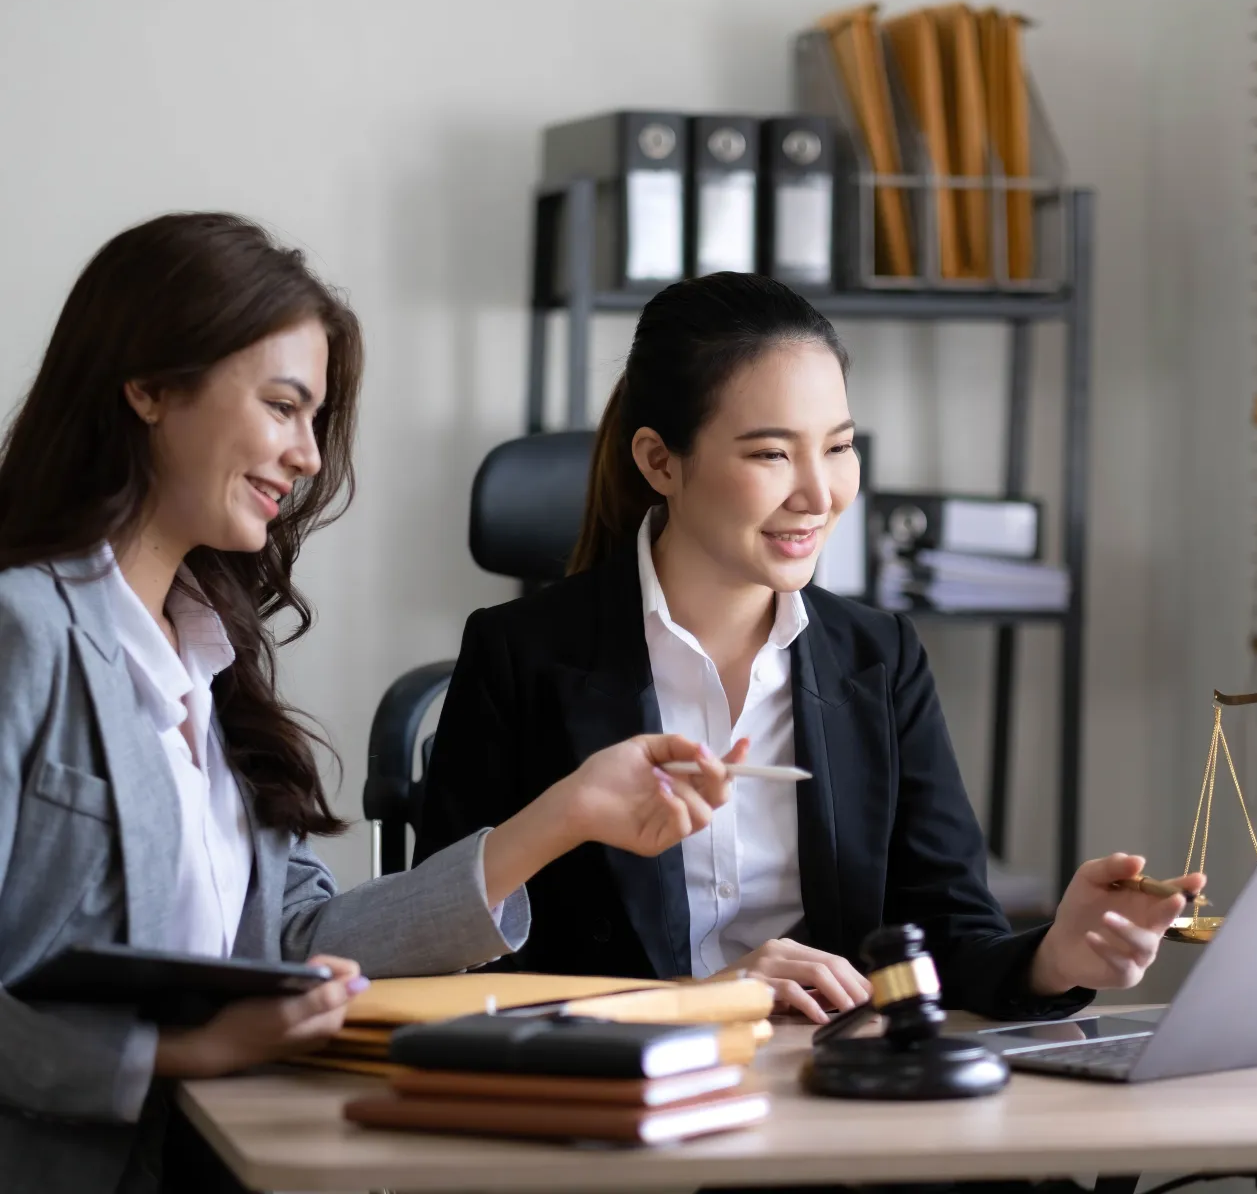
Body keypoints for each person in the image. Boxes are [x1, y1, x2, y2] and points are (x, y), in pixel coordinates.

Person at [0, 212, 737, 1194]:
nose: (307, 456)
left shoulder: (207, 660)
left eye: (315, 420)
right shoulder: (25, 630)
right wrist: (180, 1053)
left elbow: (302, 947)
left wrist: (567, 816)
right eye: (282, 406)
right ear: (148, 386)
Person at [414, 271, 1204, 1025]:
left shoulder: (879, 657)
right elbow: (451, 964)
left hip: (826, 1098)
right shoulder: (520, 657)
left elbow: (947, 938)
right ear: (660, 461)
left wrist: (1056, 956)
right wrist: (705, 1001)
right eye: (770, 453)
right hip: (618, 1112)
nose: (820, 494)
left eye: (838, 447)